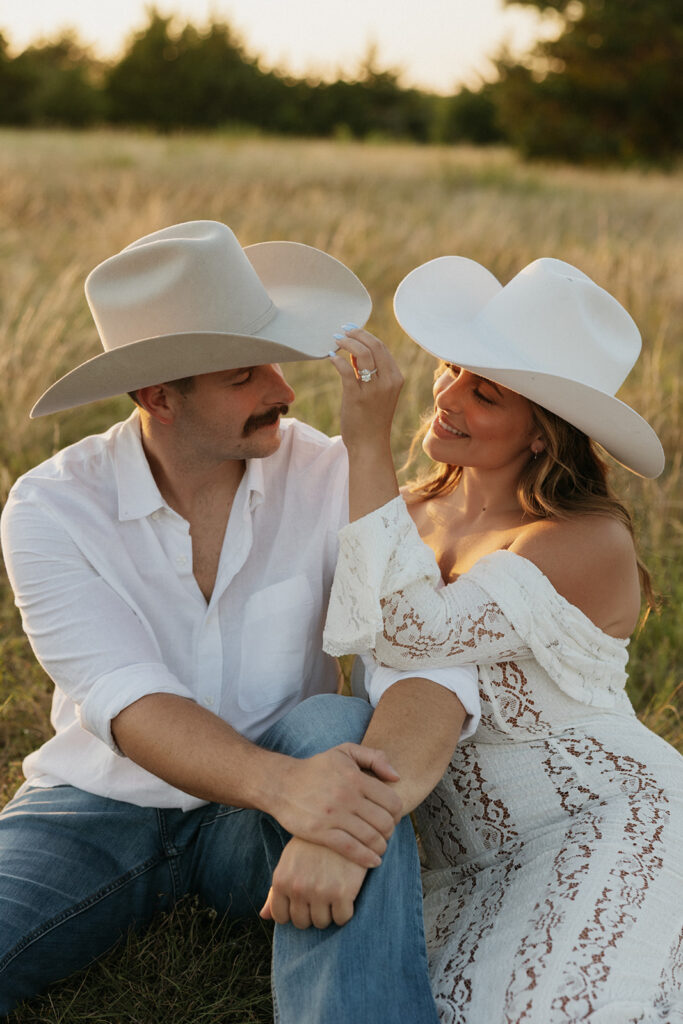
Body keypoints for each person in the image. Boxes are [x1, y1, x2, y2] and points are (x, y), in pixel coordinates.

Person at [0, 222, 481, 1020]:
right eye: (243, 374)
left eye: (275, 365)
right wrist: (296, 791)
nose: (284, 391)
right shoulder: (52, 505)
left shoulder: (327, 470)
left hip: (264, 822)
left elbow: (419, 651)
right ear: (159, 396)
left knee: (336, 725)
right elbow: (124, 697)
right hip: (97, 803)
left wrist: (337, 816)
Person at [323, 255, 683, 1023]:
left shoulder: (581, 540)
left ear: (542, 437)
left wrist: (365, 444)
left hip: (608, 818)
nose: (446, 396)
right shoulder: (407, 511)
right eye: (451, 368)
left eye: (483, 393)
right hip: (459, 862)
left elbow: (412, 634)